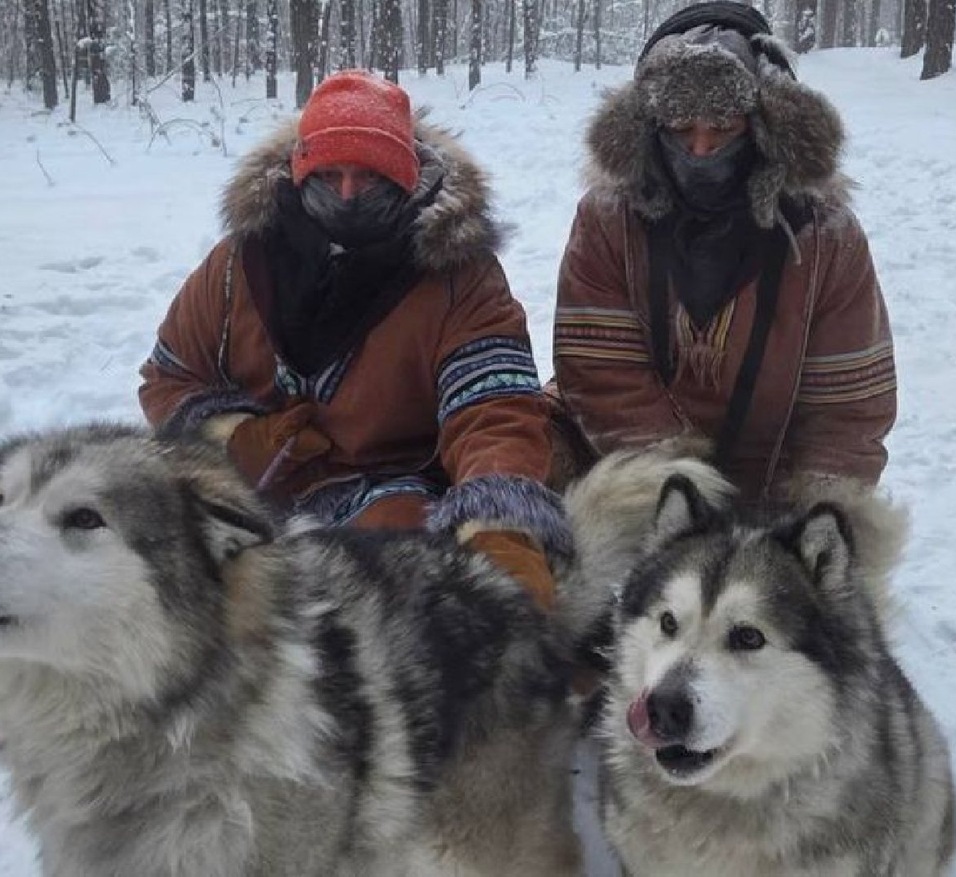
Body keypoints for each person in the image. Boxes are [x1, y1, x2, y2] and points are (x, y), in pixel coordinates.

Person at [139, 70, 565, 608]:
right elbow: (169, 375)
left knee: (407, 592)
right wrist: (236, 439)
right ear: (300, 172)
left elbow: (493, 408)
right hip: (256, 494)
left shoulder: (458, 273)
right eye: (329, 175)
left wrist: (499, 525)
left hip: (393, 490)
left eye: (368, 177)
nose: (345, 194)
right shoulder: (239, 264)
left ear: (405, 176)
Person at [548, 1, 897, 502]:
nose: (700, 149)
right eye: (680, 129)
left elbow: (847, 410)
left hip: (775, 483)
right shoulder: (608, 218)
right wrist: (684, 501)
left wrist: (812, 517)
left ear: (762, 126)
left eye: (723, 128)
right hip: (626, 471)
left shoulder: (824, 236)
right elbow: (601, 375)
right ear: (650, 126)